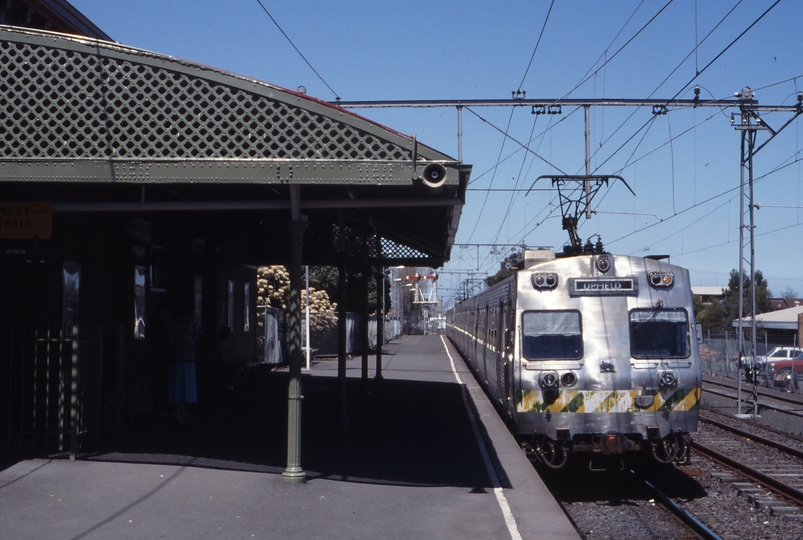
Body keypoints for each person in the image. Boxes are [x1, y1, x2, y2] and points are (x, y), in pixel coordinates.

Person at [164, 297, 203, 424]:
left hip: (174, 357)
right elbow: (199, 335)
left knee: (177, 385)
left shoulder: (172, 321)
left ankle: (178, 411)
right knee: (185, 385)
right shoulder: (191, 320)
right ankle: (181, 412)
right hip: (188, 357)